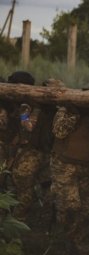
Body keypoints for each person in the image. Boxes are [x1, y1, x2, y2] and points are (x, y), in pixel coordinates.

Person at [50, 81, 89, 255]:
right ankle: (63, 242)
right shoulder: (67, 110)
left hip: (88, 168)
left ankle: (76, 245)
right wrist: (75, 114)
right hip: (64, 166)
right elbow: (59, 132)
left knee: (85, 210)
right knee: (71, 206)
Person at [10, 75, 58, 225]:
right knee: (36, 188)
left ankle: (20, 220)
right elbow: (30, 127)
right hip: (38, 153)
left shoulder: (42, 108)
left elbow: (29, 126)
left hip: (37, 154)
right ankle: (37, 221)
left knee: (28, 188)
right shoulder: (46, 107)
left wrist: (25, 114)